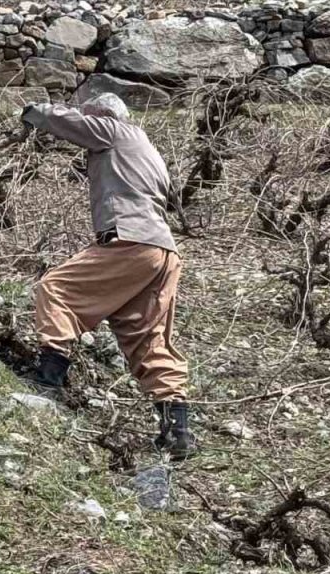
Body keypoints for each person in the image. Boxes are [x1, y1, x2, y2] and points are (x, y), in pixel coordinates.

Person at [21, 93, 198, 460]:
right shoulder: (149, 152)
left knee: (56, 288)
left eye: (92, 118)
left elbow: (69, 123)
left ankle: (49, 376)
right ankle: (177, 428)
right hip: (162, 253)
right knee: (147, 339)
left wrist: (32, 112)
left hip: (130, 241)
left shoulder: (117, 132)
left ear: (103, 117)